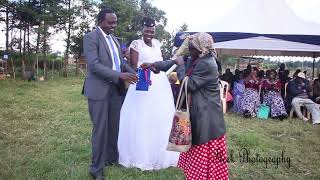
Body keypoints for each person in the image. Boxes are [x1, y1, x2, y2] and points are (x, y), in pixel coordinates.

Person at [141, 32, 228, 180]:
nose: (190, 51)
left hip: (207, 117)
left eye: (192, 48)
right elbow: (174, 61)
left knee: (203, 154)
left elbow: (190, 85)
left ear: (202, 48)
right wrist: (154, 65)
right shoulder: (196, 58)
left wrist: (180, 67)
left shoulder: (208, 64)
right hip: (199, 112)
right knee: (194, 154)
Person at [117, 17, 179, 170]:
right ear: (142, 29)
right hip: (143, 82)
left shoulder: (158, 44)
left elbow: (160, 62)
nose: (149, 33)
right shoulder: (136, 44)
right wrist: (143, 77)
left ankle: (159, 153)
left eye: (152, 31)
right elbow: (133, 65)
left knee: (159, 116)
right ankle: (140, 154)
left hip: (160, 85)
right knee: (142, 116)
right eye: (146, 30)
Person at [82, 8, 137, 180]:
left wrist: (136, 73)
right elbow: (94, 65)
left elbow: (120, 63)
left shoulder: (114, 39)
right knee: (101, 129)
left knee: (114, 127)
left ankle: (111, 159)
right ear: (100, 21)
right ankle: (96, 169)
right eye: (110, 22)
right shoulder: (91, 37)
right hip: (99, 90)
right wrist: (120, 75)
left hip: (116, 90)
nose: (114, 25)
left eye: (115, 22)